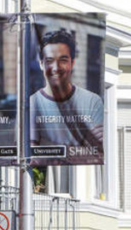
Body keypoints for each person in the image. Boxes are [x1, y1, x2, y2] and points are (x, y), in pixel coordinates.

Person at [29, 28, 105, 157]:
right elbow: (31, 154)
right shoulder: (32, 103)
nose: (56, 68)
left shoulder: (93, 101)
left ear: (72, 63)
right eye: (49, 61)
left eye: (63, 60)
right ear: (41, 64)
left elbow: (97, 152)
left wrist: (50, 145)